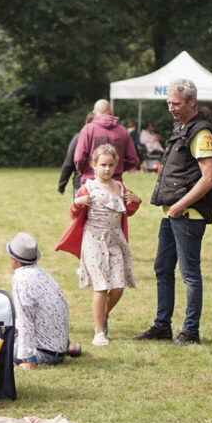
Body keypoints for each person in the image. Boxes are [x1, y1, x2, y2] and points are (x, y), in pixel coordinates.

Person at [133, 78, 212, 346]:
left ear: (192, 102)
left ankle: (190, 331)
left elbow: (209, 178)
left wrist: (181, 205)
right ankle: (162, 326)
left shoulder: (201, 133)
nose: (171, 108)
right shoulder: (182, 128)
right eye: (169, 102)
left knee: (189, 273)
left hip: (187, 215)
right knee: (162, 267)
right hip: (171, 214)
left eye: (176, 103)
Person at [71, 144, 141, 346]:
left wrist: (136, 201)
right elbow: (74, 213)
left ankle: (102, 316)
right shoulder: (89, 187)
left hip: (115, 240)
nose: (107, 169)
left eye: (111, 165)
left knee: (118, 286)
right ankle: (99, 333)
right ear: (94, 165)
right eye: (103, 165)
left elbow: (127, 211)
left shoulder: (119, 187)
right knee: (101, 286)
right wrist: (78, 202)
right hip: (94, 240)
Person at [4, 232, 80, 369]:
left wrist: (29, 359)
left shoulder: (20, 279)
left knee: (2, 343)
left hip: (45, 354)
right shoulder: (42, 273)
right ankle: (68, 348)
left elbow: (25, 321)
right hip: (58, 345)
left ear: (14, 260)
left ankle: (36, 356)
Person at [74, 99, 139, 186]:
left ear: (94, 113)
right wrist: (115, 168)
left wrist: (85, 172)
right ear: (111, 112)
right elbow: (133, 160)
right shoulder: (123, 131)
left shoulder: (88, 130)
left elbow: (79, 158)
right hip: (115, 184)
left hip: (90, 182)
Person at [58, 112, 94, 195]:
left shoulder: (78, 137)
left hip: (80, 183)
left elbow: (69, 163)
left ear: (86, 122)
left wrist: (61, 185)